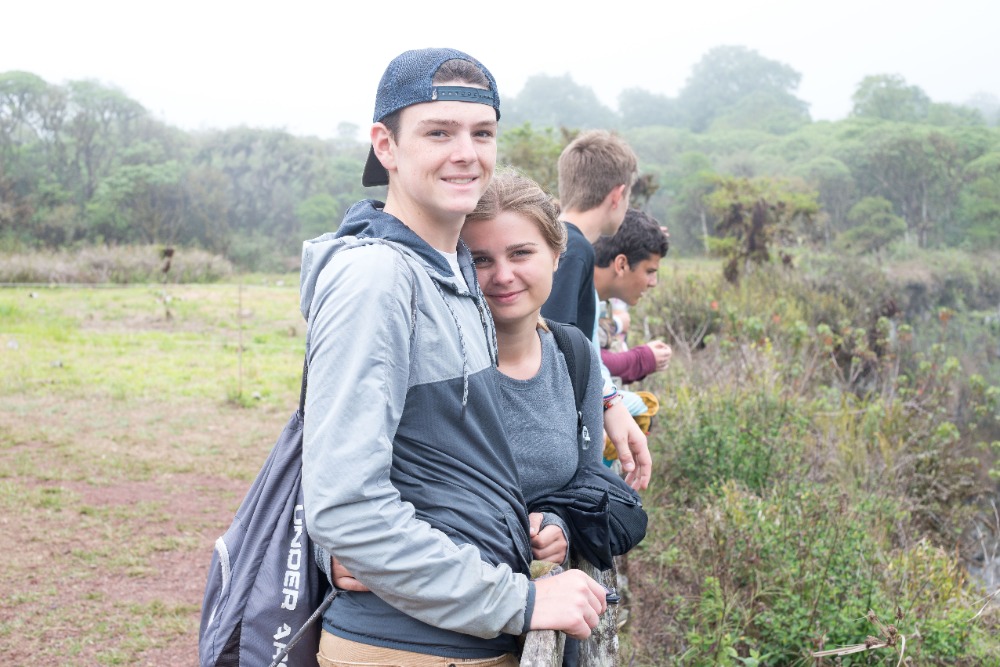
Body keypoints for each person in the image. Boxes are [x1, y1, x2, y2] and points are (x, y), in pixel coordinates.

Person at [301, 47, 610, 667]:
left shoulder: (454, 276)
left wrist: (607, 397)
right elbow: (347, 504)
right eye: (438, 132)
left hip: (466, 639)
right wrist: (519, 602)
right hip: (407, 647)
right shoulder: (377, 280)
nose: (466, 153)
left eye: (482, 133)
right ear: (386, 146)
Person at [594, 208, 672, 389]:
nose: (653, 283)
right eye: (649, 271)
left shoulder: (590, 296)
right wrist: (643, 359)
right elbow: (591, 363)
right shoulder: (574, 295)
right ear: (621, 265)